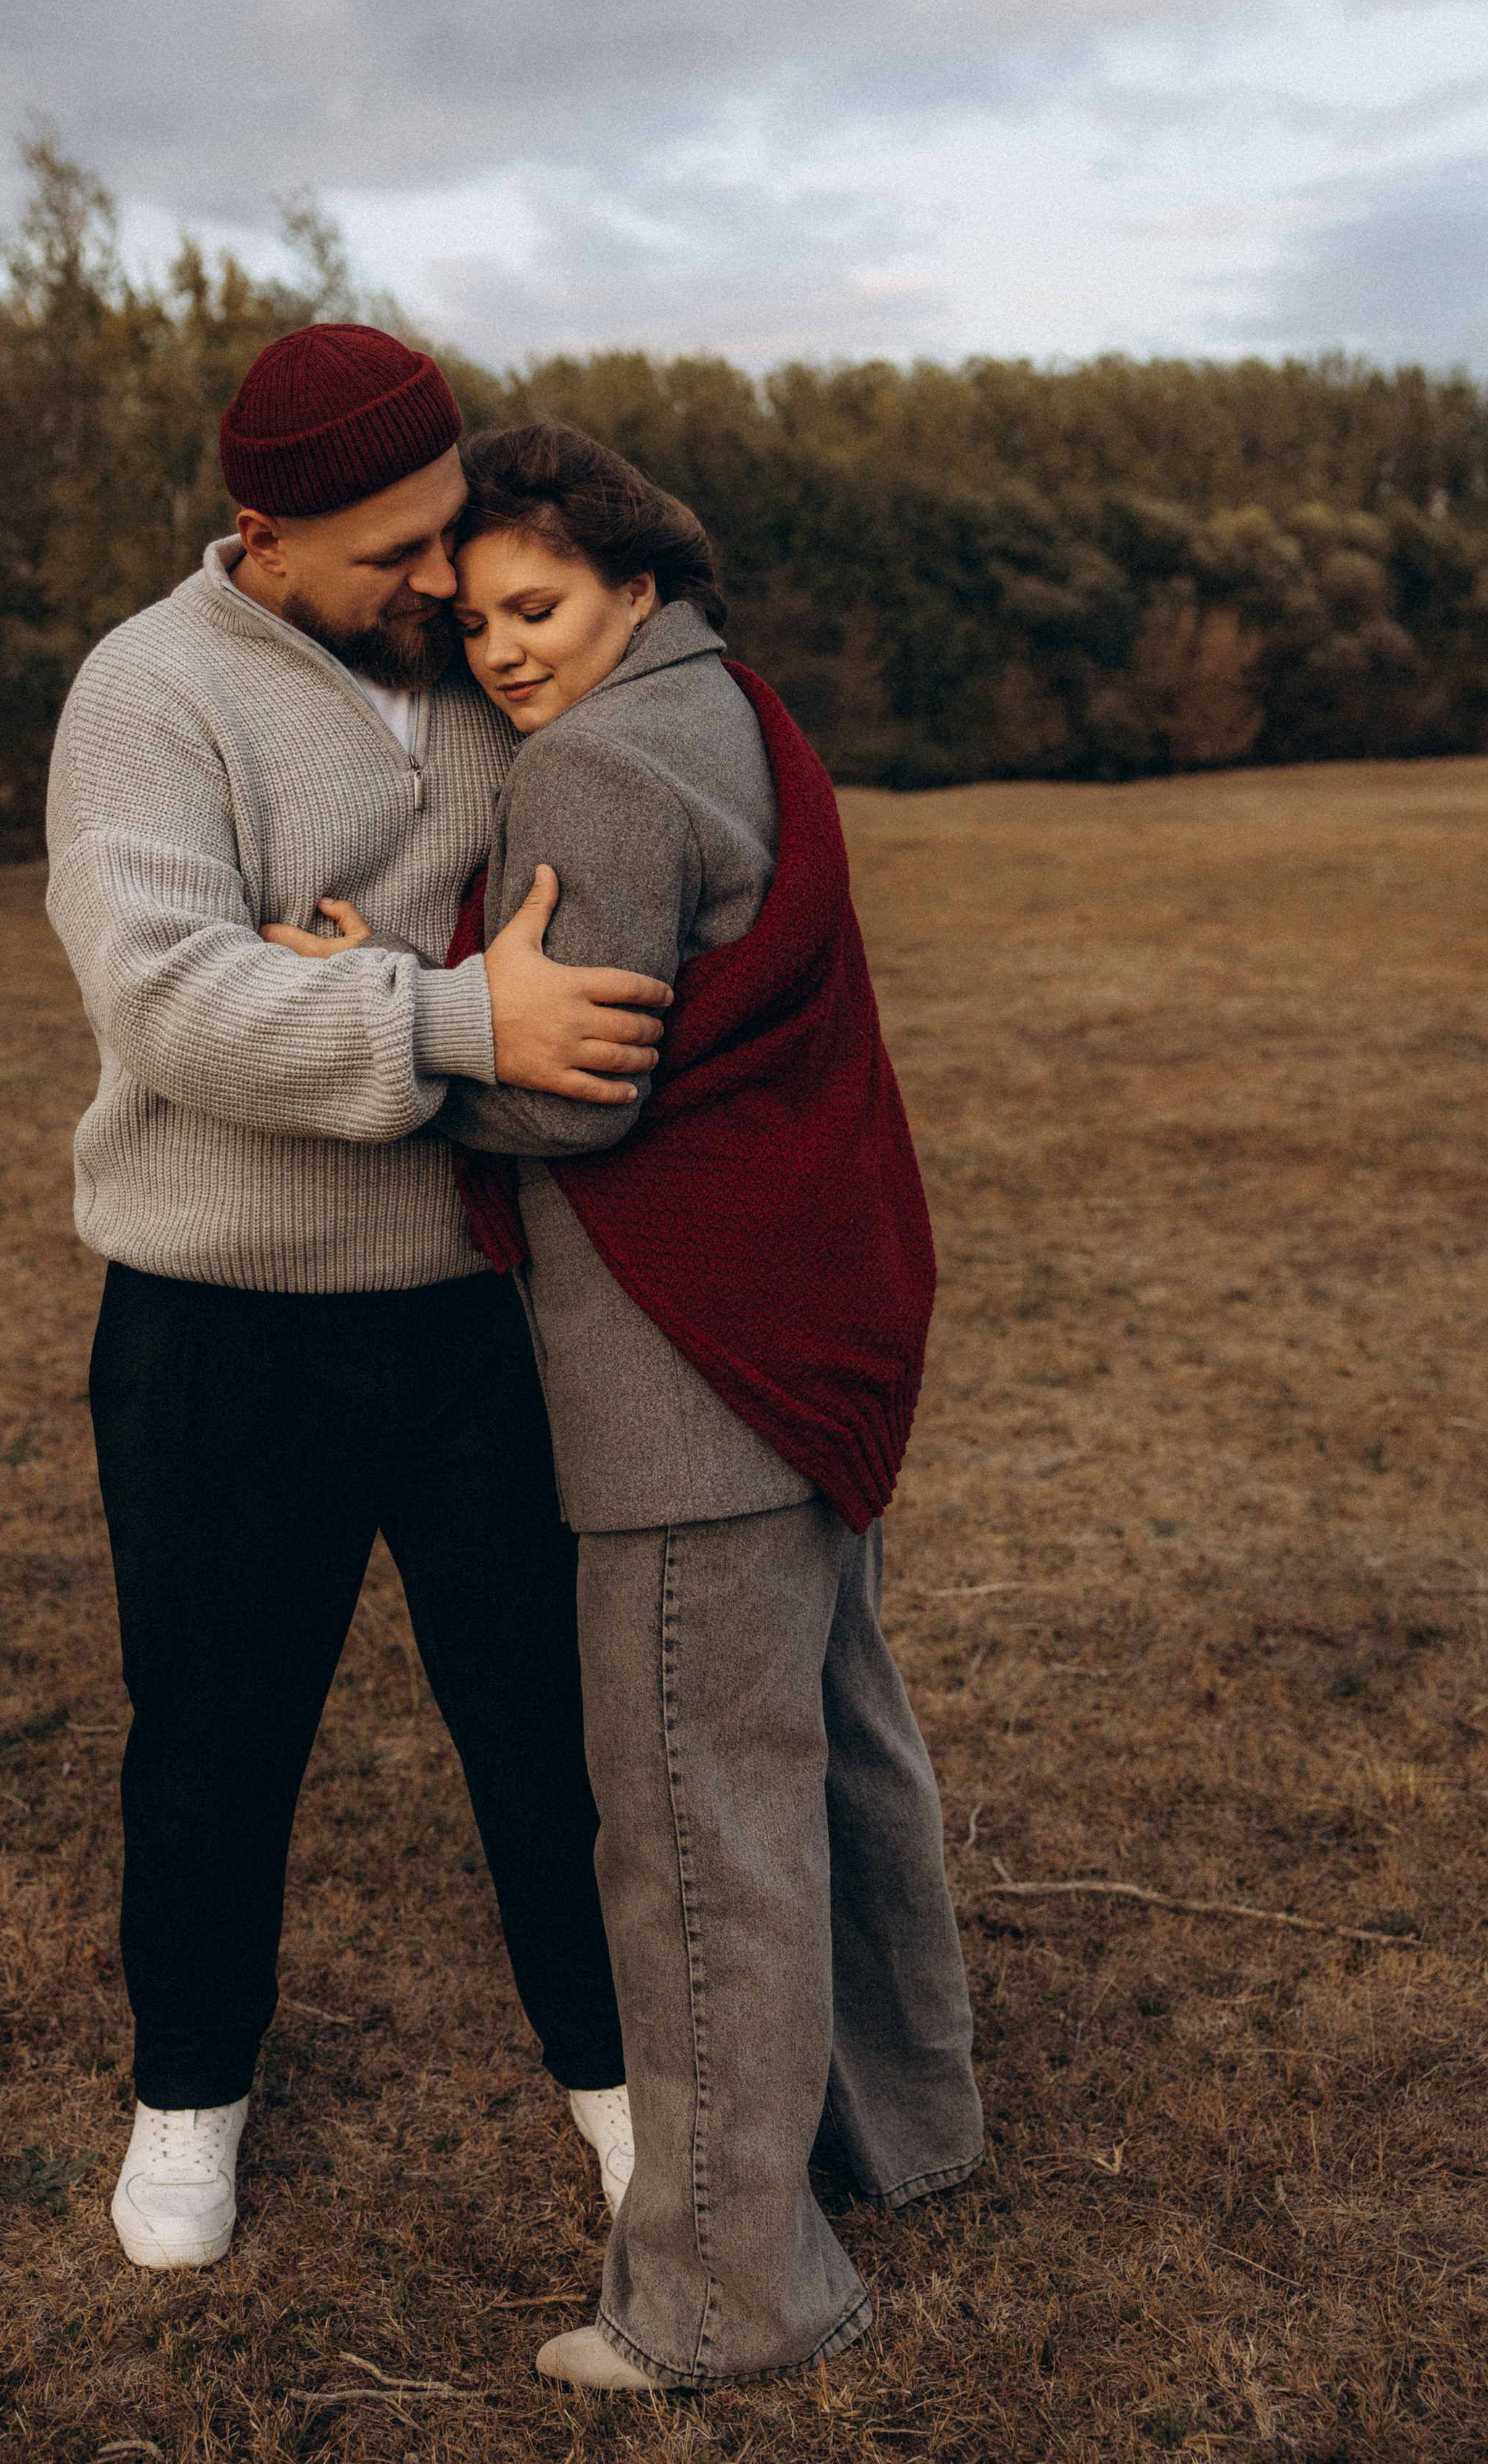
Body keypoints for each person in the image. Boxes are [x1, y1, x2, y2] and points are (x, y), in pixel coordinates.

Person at [271, 420, 982, 2389]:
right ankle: (907, 2133)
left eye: (539, 604)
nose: (500, 648)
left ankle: (724, 2295)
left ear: (631, 584)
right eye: (478, 615)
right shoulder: (736, 711)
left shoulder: (595, 764)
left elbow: (563, 1084)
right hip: (809, 1337)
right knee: (837, 1743)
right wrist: (454, 983)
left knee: (691, 1822)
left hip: (688, 1368)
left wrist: (392, 1021)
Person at [46, 331, 671, 2271]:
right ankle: (189, 2096)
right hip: (217, 1323)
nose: (444, 578)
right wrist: (447, 1009)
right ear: (265, 539)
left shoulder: (480, 661)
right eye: (398, 550)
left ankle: (618, 2079)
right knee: (217, 1732)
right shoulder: (146, 700)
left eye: (452, 526)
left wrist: (344, 973)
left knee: (547, 1724)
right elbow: (170, 999)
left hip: (478, 1300)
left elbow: (571, 888)